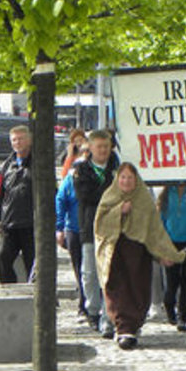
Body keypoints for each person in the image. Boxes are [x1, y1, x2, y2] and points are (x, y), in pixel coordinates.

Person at [93, 163, 184, 350]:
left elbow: (154, 231)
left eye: (130, 178)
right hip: (115, 251)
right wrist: (119, 211)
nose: (126, 181)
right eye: (123, 178)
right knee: (117, 288)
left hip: (138, 254)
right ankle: (122, 327)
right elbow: (100, 223)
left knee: (137, 288)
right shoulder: (110, 197)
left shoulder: (143, 200)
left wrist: (162, 254)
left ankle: (132, 327)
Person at [73, 129, 120, 336]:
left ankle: (109, 313)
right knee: (90, 272)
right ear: (90, 148)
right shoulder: (81, 170)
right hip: (89, 226)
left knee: (110, 273)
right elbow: (86, 196)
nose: (103, 151)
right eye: (99, 147)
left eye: (106, 147)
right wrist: (111, 193)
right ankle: (92, 310)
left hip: (113, 228)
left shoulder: (117, 169)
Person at [0, 124, 34, 283]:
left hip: (31, 224)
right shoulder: (6, 166)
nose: (17, 143)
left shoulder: (39, 164)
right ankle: (9, 290)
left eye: (21, 139)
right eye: (14, 140)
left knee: (33, 264)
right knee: (2, 259)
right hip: (9, 224)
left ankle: (35, 297)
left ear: (29, 140)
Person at [158, 181, 186, 332]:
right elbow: (162, 220)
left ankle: (183, 315)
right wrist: (162, 243)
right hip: (171, 241)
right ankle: (170, 308)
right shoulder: (166, 194)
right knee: (172, 281)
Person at [55, 170, 87, 318]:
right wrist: (59, 228)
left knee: (92, 269)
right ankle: (84, 303)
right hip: (74, 229)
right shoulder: (71, 178)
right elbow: (60, 200)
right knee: (79, 268)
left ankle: (94, 302)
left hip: (93, 229)